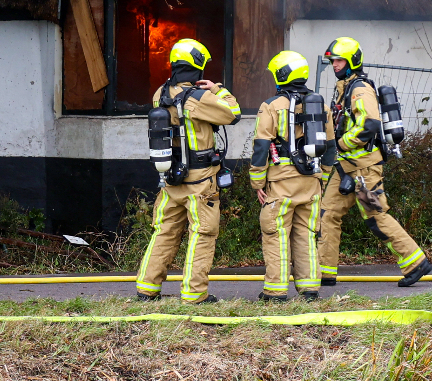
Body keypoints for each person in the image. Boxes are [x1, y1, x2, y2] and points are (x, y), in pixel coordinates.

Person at [315, 36, 432, 288]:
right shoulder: (345, 89)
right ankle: (324, 272)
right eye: (333, 61)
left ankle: (415, 262)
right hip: (345, 167)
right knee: (327, 214)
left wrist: (339, 144)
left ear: (351, 61)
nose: (334, 65)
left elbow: (369, 126)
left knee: (375, 215)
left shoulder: (360, 89)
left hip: (363, 168)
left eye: (339, 60)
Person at [133, 38, 241, 303]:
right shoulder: (200, 97)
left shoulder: (161, 93)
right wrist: (219, 90)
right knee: (202, 233)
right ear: (198, 67)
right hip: (200, 180)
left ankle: (147, 287)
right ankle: (194, 294)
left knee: (165, 231)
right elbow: (233, 114)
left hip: (170, 179)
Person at [249, 50, 326, 302]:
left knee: (276, 234)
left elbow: (261, 146)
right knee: (306, 234)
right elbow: (331, 147)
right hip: (312, 182)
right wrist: (321, 177)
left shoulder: (271, 106)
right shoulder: (320, 106)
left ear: (282, 75)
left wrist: (258, 182)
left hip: (281, 184)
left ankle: (276, 291)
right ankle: (310, 290)